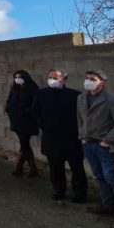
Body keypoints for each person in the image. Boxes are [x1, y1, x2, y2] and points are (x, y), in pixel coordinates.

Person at [77, 69, 114, 228]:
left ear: (103, 82)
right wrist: (83, 137)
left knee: (113, 179)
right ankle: (107, 207)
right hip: (89, 145)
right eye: (87, 78)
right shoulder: (81, 98)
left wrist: (107, 140)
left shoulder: (113, 100)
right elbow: (80, 120)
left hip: (107, 147)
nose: (89, 81)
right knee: (100, 177)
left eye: (93, 79)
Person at [32, 68, 87, 202]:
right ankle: (59, 190)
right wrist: (44, 125)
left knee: (77, 167)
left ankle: (79, 194)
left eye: (55, 78)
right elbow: (35, 112)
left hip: (71, 138)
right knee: (55, 168)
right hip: (51, 137)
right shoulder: (41, 94)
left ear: (64, 79)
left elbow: (82, 116)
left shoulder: (75, 95)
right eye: (50, 77)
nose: (52, 80)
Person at [5, 70, 39, 176]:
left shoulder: (32, 88)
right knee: (25, 145)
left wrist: (23, 112)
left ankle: (20, 167)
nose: (17, 79)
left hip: (27, 122)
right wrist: (8, 109)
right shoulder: (15, 88)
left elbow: (35, 105)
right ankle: (31, 169)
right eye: (15, 77)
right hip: (16, 121)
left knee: (24, 143)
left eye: (19, 77)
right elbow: (9, 100)